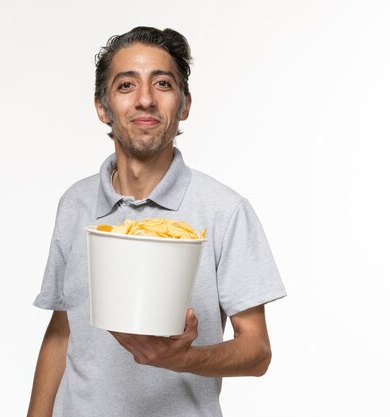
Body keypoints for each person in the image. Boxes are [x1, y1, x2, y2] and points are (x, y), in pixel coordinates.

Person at [27, 26, 286, 417]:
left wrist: (180, 358)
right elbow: (63, 330)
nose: (145, 99)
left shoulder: (224, 210)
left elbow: (257, 351)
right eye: (126, 85)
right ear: (103, 107)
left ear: (184, 105)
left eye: (162, 84)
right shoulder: (75, 204)